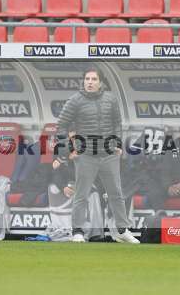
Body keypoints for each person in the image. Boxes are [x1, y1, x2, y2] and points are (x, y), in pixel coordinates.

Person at [56, 67, 139, 244]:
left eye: (94, 79)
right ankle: (77, 231)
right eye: (87, 79)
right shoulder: (74, 101)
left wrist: (117, 143)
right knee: (82, 194)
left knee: (116, 193)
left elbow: (117, 123)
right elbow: (61, 126)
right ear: (83, 81)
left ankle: (122, 230)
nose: (90, 82)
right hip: (85, 154)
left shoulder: (111, 99)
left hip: (109, 154)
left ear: (100, 82)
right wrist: (69, 148)